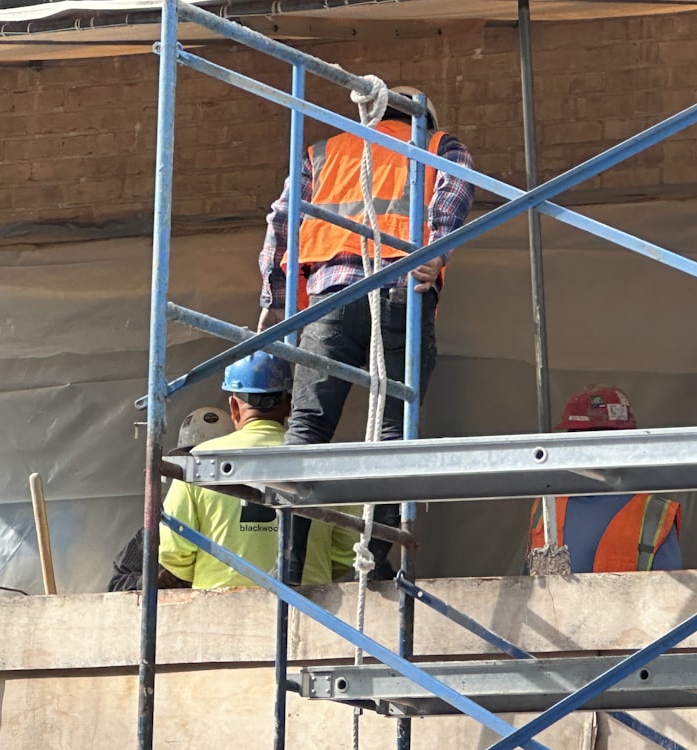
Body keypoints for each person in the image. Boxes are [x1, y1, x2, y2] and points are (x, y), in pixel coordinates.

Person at [257, 85, 475, 579]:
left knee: (308, 429)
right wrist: (433, 255)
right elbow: (450, 203)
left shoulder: (322, 152)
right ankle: (374, 560)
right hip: (402, 291)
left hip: (328, 299)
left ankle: (289, 561)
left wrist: (275, 302)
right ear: (421, 117)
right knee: (393, 433)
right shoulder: (440, 145)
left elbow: (281, 223)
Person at [158, 352, 350, 589]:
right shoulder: (327, 463)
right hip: (309, 605)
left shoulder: (197, 462)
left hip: (219, 607)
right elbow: (347, 552)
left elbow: (172, 550)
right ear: (290, 405)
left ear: (234, 407)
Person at [527, 385, 683, 573]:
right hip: (552, 603)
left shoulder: (654, 513)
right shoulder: (546, 506)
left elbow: (668, 595)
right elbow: (528, 581)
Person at [107, 406, 232, 592]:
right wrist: (150, 581)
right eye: (193, 465)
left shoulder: (239, 527)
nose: (200, 475)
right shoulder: (158, 527)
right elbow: (116, 586)